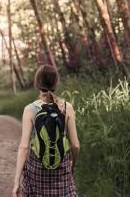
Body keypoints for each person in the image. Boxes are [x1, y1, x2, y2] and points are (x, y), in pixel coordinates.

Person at [12, 64, 80, 197]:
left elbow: (24, 148)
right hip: (62, 165)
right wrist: (73, 165)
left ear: (37, 83)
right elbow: (75, 145)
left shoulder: (30, 109)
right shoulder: (67, 107)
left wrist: (16, 181)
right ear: (56, 83)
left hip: (36, 168)